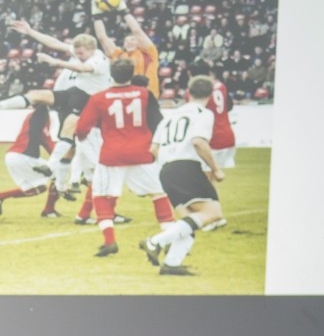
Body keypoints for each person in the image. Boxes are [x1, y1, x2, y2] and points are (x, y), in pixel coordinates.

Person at [0, 20, 112, 215]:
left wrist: (55, 62)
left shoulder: (99, 60)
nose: (78, 56)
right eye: (77, 53)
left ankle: (55, 171)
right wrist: (30, 31)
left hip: (91, 101)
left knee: (70, 132)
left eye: (81, 54)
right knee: (38, 95)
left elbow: (83, 69)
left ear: (92, 49)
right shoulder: (83, 52)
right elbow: (55, 43)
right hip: (76, 94)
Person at [75, 58, 175, 257]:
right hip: (142, 153)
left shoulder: (99, 98)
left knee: (101, 196)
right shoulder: (145, 94)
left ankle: (109, 241)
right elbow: (158, 123)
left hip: (112, 155)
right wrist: (154, 145)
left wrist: (85, 135)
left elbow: (82, 127)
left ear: (111, 74)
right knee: (158, 194)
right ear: (132, 74)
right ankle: (170, 239)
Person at [139, 76, 225, 275]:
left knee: (188, 221)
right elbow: (198, 142)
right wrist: (216, 169)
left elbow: (153, 149)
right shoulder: (203, 113)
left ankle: (172, 264)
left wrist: (168, 166)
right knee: (213, 214)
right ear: (210, 95)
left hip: (167, 170)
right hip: (186, 167)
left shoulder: (170, 116)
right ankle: (154, 242)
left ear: (188, 92)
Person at [187, 60, 234, 231]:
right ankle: (214, 215)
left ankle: (215, 218)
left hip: (212, 139)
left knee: (205, 182)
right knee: (210, 180)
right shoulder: (221, 86)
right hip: (227, 135)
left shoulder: (197, 91)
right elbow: (229, 106)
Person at [91, 0, 161, 97]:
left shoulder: (149, 54)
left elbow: (137, 31)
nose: (129, 42)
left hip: (147, 96)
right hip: (124, 97)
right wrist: (96, 14)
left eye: (132, 40)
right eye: (127, 41)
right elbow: (102, 38)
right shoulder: (119, 55)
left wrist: (124, 11)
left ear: (139, 43)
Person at [0, 104, 56, 215]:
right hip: (23, 156)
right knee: (59, 173)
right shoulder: (42, 113)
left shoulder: (33, 115)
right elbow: (45, 139)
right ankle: (49, 211)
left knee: (38, 188)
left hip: (14, 155)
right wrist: (58, 157)